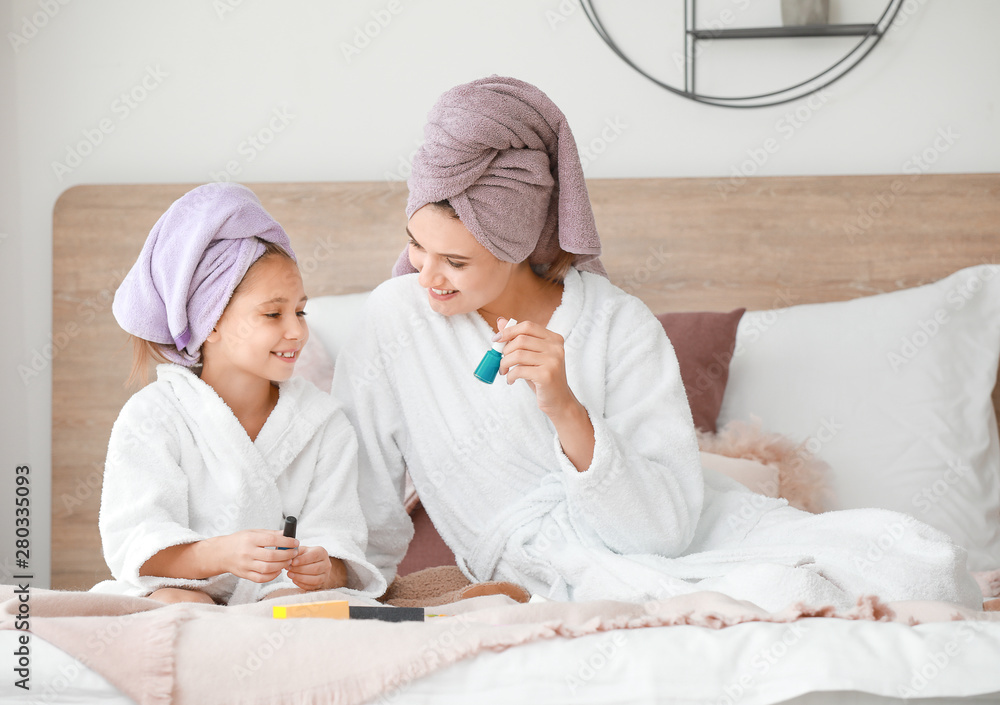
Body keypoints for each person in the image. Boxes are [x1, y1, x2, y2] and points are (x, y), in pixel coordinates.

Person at [332, 76, 982, 612]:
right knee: (782, 593)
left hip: (684, 529)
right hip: (551, 570)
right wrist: (333, 575)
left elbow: (666, 528)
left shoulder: (620, 324)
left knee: (916, 558)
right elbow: (361, 501)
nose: (425, 273)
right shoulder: (395, 319)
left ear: (516, 243)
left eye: (455, 260)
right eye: (415, 244)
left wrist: (566, 409)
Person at [93, 182, 385, 605]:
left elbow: (342, 545)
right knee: (179, 607)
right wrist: (220, 554)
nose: (297, 331)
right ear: (210, 322)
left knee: (308, 609)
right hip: (185, 595)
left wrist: (325, 567)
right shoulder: (153, 416)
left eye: (300, 311)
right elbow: (137, 545)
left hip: (280, 601)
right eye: (273, 313)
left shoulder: (323, 421)